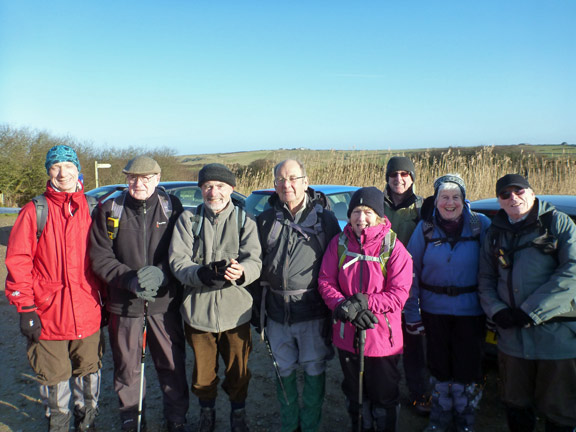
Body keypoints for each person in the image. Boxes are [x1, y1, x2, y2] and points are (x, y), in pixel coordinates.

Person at [5, 145, 104, 431]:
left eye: (68, 166)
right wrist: (25, 309)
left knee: (89, 372)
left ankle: (88, 422)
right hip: (48, 314)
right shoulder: (34, 210)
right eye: (55, 167)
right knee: (54, 376)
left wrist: (106, 302)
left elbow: (102, 259)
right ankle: (58, 424)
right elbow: (18, 262)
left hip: (88, 310)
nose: (63, 173)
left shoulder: (93, 208)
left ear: (78, 169)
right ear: (48, 172)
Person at [90, 156, 191, 432]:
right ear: (126, 179)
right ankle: (131, 421)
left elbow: (181, 252)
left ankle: (177, 420)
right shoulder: (110, 208)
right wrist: (130, 280)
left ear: (157, 179)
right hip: (124, 305)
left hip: (164, 304)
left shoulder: (172, 207)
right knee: (127, 369)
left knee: (172, 365)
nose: (139, 183)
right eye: (133, 178)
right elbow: (100, 256)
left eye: (146, 178)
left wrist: (162, 274)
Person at [478, 174, 576, 432]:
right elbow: (485, 278)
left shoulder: (559, 224)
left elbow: (572, 272)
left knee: (560, 411)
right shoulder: (495, 233)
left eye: (519, 191)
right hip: (511, 339)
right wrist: (497, 311)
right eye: (505, 194)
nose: (513, 198)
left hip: (556, 337)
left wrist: (532, 311)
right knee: (516, 405)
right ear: (500, 201)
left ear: (532, 193)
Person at [169, 163, 262, 432]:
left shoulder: (246, 221)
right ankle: (206, 414)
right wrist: (200, 274)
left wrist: (241, 271)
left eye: (220, 186)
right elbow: (178, 262)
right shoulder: (188, 220)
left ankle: (238, 415)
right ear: (200, 190)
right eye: (208, 186)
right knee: (202, 373)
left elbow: (255, 260)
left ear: (231, 189)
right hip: (197, 312)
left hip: (237, 312)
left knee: (238, 370)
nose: (214, 192)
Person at [253, 159, 340, 432]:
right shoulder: (265, 219)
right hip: (277, 313)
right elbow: (255, 266)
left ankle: (310, 426)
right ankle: (290, 426)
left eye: (292, 178)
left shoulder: (325, 220)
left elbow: (337, 266)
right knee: (283, 374)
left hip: (313, 313)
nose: (286, 184)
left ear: (305, 181)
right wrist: (258, 312)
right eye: (280, 179)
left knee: (314, 372)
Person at [318, 186, 413, 432]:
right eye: (356, 211)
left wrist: (366, 302)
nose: (361, 218)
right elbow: (326, 281)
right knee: (354, 393)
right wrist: (341, 305)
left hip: (382, 338)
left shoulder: (393, 247)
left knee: (384, 395)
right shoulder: (338, 243)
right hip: (347, 335)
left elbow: (399, 294)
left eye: (368, 211)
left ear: (380, 216)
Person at [405, 174, 491, 432]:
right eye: (444, 197)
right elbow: (410, 272)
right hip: (434, 312)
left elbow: (494, 269)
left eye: (455, 197)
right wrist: (411, 313)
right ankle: (439, 423)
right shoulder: (425, 228)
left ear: (464, 200)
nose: (450, 202)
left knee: (468, 371)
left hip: (472, 312)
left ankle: (465, 423)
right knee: (439, 370)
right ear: (436, 200)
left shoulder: (481, 225)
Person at [383, 156, 430, 414]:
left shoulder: (423, 208)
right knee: (386, 343)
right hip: (382, 288)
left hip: (413, 288)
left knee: (415, 345)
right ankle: (386, 392)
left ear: (412, 177)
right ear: (387, 178)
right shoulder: (376, 205)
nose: (398, 179)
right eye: (393, 175)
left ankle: (420, 394)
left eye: (404, 174)